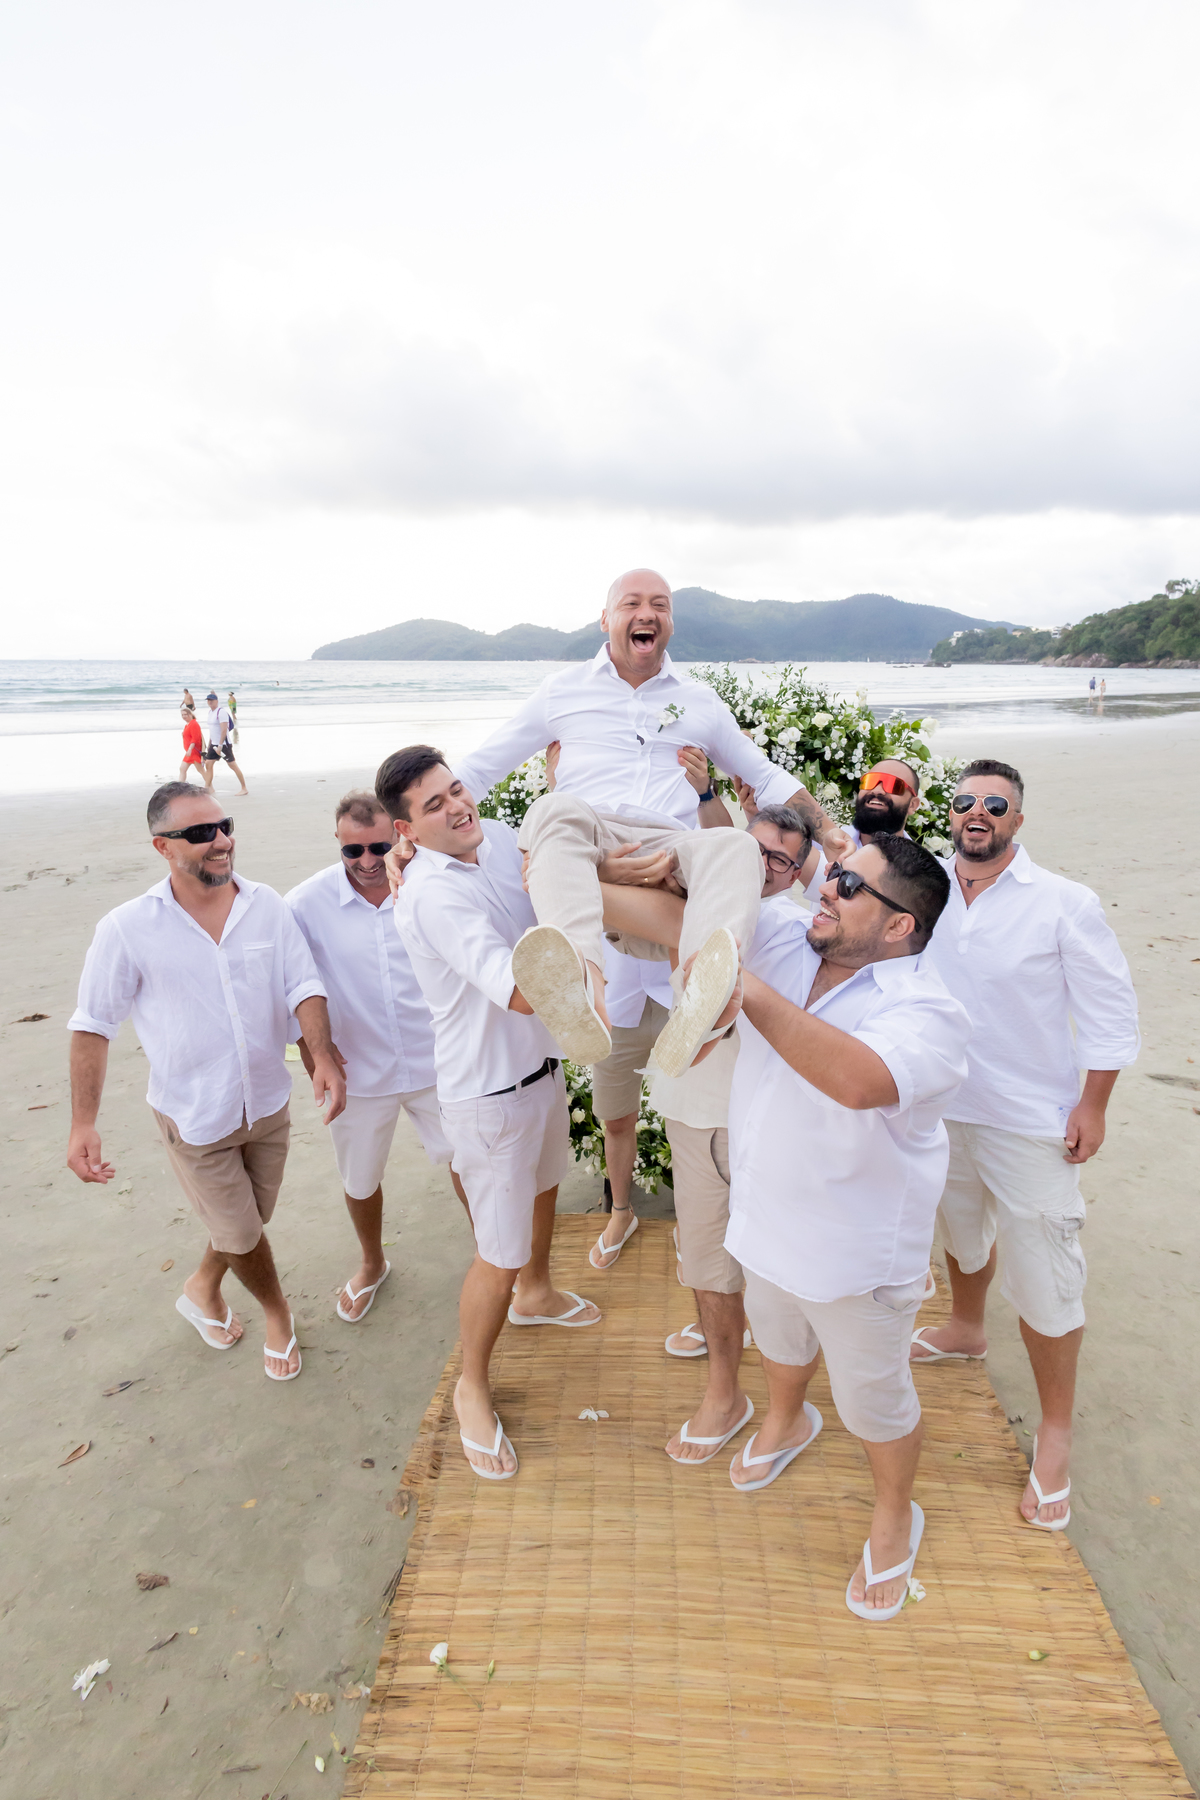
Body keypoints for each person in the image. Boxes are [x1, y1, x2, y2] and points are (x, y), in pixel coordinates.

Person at [675, 837, 969, 1618]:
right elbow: (664, 911)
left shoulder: (930, 1012)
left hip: (853, 1258)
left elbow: (859, 1080)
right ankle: (785, 1419)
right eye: (833, 873)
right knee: (780, 1344)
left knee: (875, 1403)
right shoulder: (787, 936)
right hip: (764, 1220)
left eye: (849, 885)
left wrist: (743, 990)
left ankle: (895, 1513)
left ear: (900, 926)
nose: (826, 888)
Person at [452, 569, 852, 1079]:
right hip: (591, 835)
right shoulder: (562, 691)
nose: (647, 613)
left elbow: (763, 773)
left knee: (735, 846)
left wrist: (829, 831)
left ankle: (701, 998)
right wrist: (410, 832)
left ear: (671, 623)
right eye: (632, 603)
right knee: (552, 809)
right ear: (605, 619)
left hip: (671, 847)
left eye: (660, 605)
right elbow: (479, 769)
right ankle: (581, 984)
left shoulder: (700, 700)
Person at [913, 759, 1139, 1530]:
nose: (978, 812)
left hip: (1030, 1118)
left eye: (995, 804)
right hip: (940, 1107)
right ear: (951, 813)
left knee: (1046, 1274)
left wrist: (1093, 1105)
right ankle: (966, 1329)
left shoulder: (1063, 902)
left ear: (1017, 819)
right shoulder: (925, 885)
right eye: (965, 801)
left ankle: (1056, 1433)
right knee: (961, 1234)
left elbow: (1109, 1008)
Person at [66, 784, 346, 1380]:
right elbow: (93, 1026)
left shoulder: (267, 905)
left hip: (267, 1102)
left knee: (250, 1218)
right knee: (242, 1233)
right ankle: (278, 1314)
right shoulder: (126, 929)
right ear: (163, 847)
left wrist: (320, 1056)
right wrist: (83, 1123)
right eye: (200, 833)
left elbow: (303, 985)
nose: (220, 841)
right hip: (194, 1115)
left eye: (225, 826)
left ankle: (200, 1286)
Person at [379, 745, 602, 1480]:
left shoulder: (499, 839)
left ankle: (537, 1293)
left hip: (540, 1069)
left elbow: (555, 877)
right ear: (406, 830)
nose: (456, 807)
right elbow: (516, 991)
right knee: (497, 1255)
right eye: (433, 805)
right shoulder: (431, 896)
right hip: (488, 1093)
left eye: (456, 790)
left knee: (544, 1192)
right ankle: (472, 1384)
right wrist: (595, 969)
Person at [649, 805, 813, 1467]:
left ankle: (779, 1400)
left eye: (779, 860)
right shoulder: (691, 906)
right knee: (707, 1260)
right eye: (753, 849)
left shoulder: (798, 926)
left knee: (774, 1266)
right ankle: (725, 1390)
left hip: (766, 1120)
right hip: (697, 1111)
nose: (761, 866)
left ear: (795, 875)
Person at [285, 791, 470, 1322]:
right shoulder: (303, 904)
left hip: (440, 1059)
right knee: (360, 1179)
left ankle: (493, 1254)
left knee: (469, 1160)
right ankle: (372, 1262)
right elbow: (291, 985)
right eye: (352, 851)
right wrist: (314, 1056)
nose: (367, 861)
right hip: (358, 1072)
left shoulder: (431, 884)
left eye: (378, 847)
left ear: (399, 836)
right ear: (337, 843)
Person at [588, 742, 736, 1269]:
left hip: (681, 994)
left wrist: (706, 790)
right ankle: (621, 1211)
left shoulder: (683, 819)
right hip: (620, 998)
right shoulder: (598, 822)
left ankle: (691, 1222)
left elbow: (727, 841)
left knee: (691, 1119)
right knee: (616, 1117)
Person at [203, 692, 249, 796]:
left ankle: (244, 788)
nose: (209, 702)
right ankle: (207, 788)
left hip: (224, 744)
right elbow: (212, 730)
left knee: (232, 765)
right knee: (208, 764)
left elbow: (224, 730)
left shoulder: (221, 712)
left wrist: (220, 745)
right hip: (213, 744)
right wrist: (210, 744)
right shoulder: (210, 712)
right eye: (208, 700)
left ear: (217, 701)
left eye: (211, 700)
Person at [179, 704, 208, 786]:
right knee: (182, 769)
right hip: (189, 752)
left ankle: (210, 786)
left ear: (190, 714)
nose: (184, 716)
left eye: (185, 714)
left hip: (194, 751)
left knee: (201, 770)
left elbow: (195, 739)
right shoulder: (187, 725)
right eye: (182, 715)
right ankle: (180, 787)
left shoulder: (194, 724)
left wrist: (190, 749)